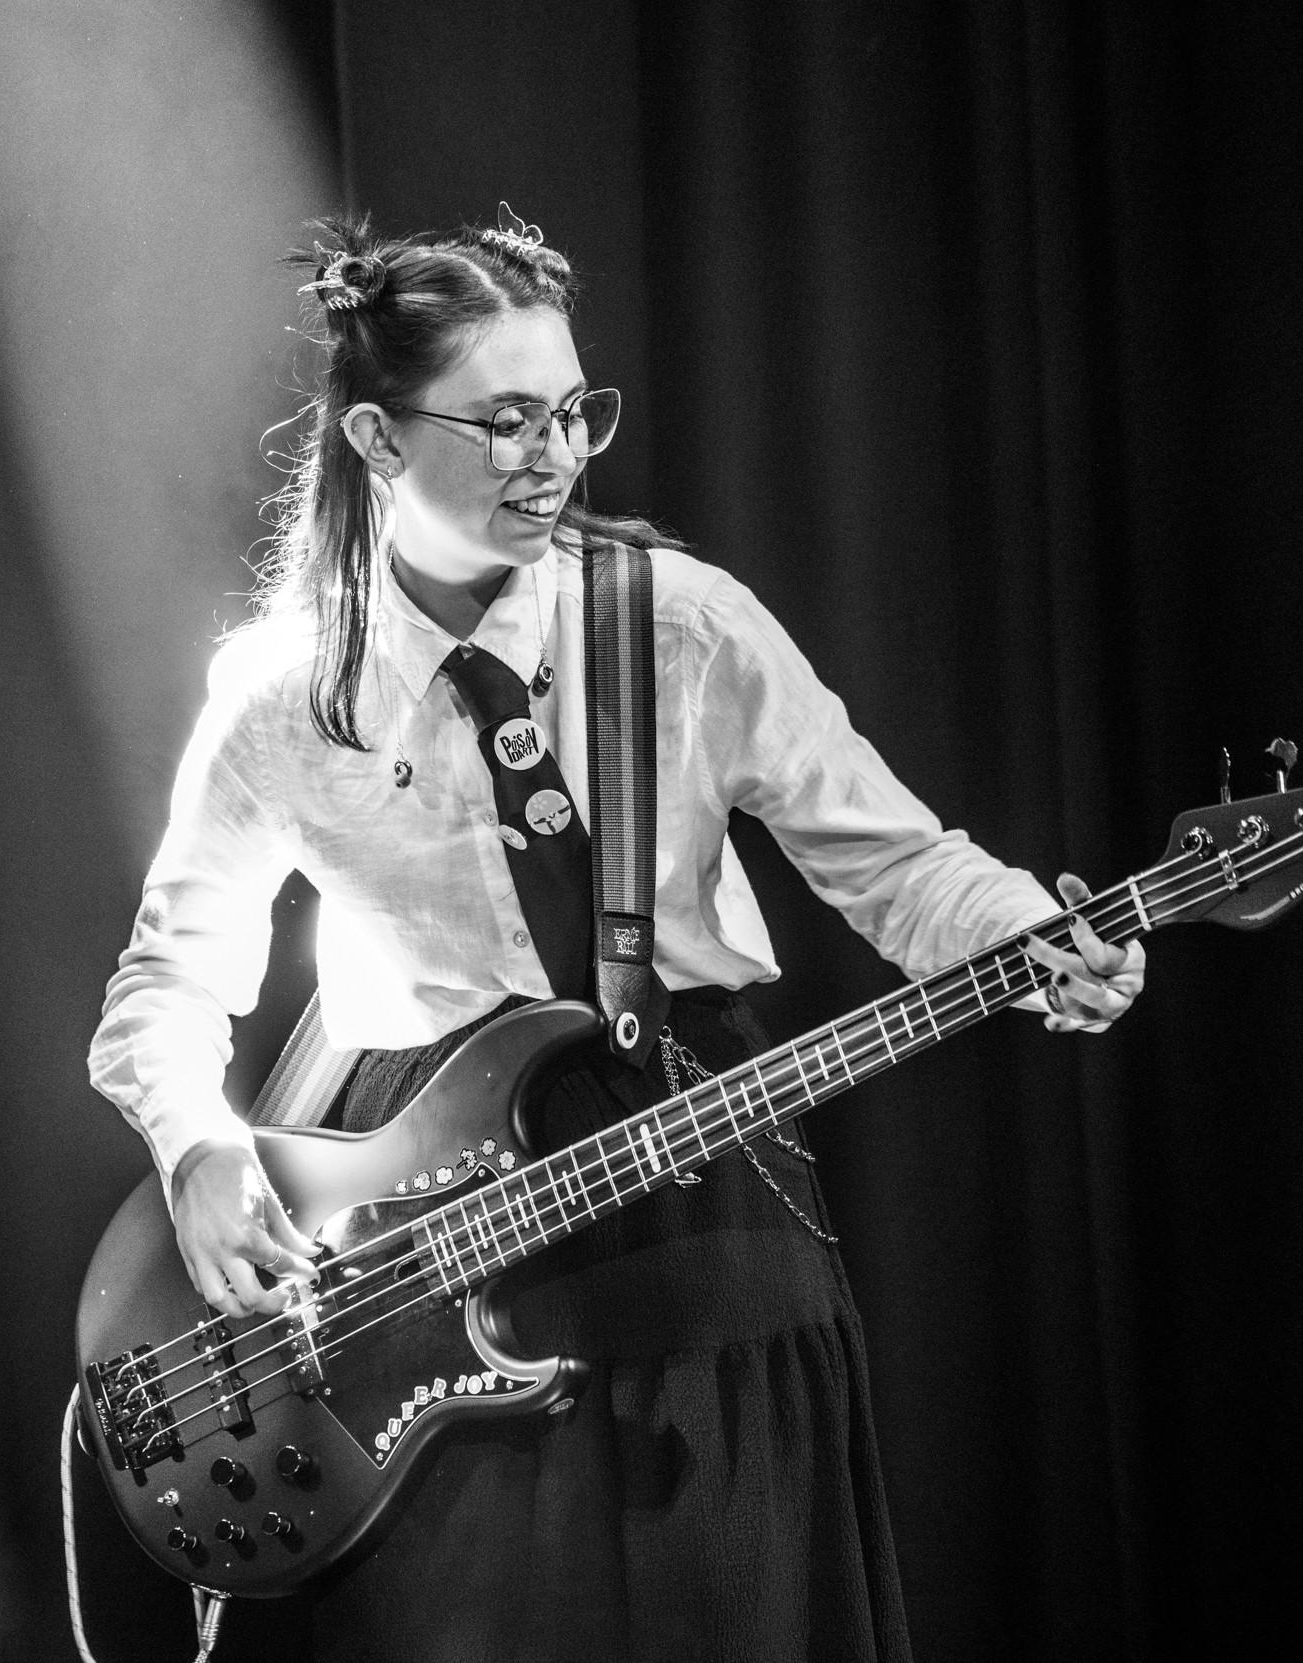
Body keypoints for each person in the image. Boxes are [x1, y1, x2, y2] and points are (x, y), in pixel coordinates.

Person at [87, 206, 1145, 1661]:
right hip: (416, 1244)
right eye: (506, 420)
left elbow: (899, 865)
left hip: (696, 1182)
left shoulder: (681, 625)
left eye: (575, 412)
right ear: (378, 439)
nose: (556, 456)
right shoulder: (283, 693)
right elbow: (164, 983)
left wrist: (1037, 933)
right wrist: (199, 1149)